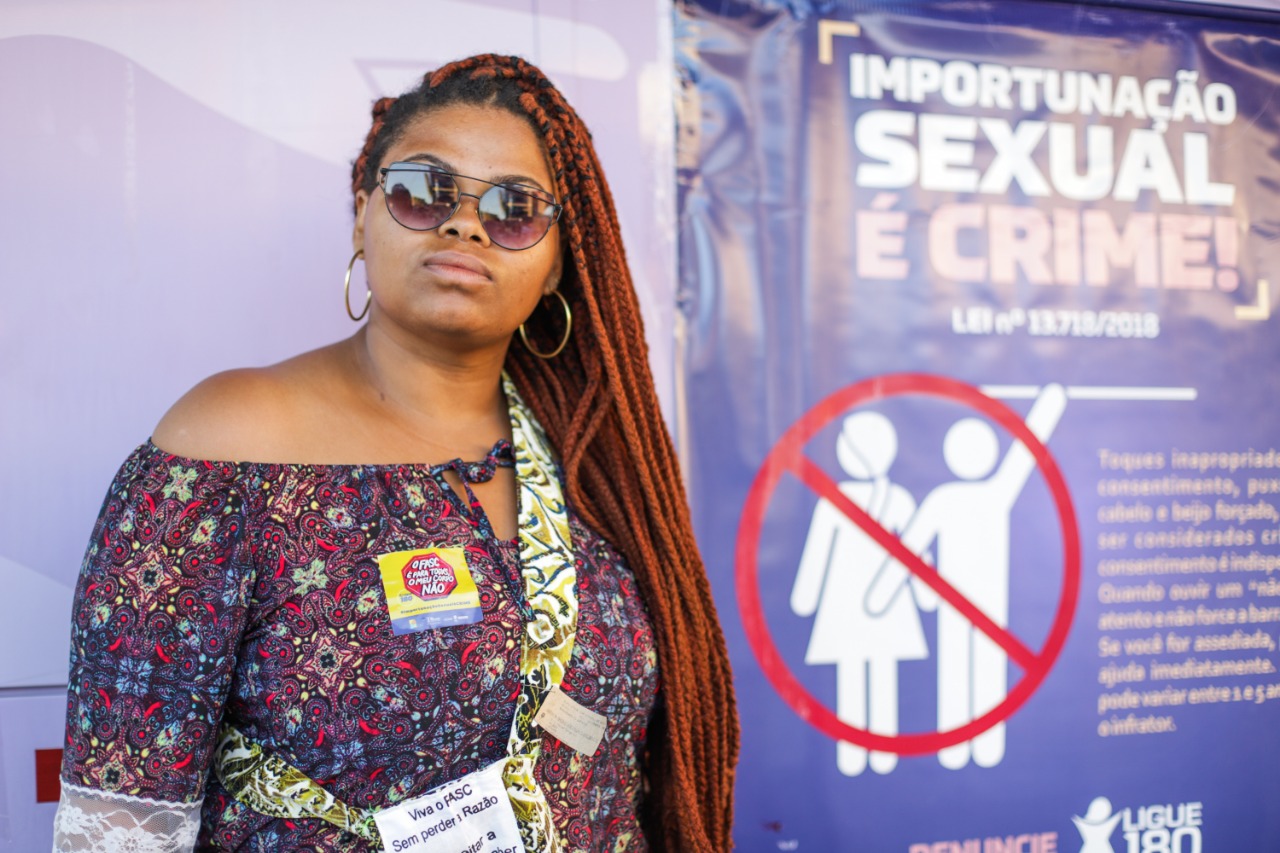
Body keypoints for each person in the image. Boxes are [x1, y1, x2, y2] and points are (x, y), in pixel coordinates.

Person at [53, 54, 738, 852]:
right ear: (362, 216)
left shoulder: (600, 466)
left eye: (515, 209)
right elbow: (122, 821)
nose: (466, 224)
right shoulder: (226, 443)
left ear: (557, 264)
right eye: (424, 190)